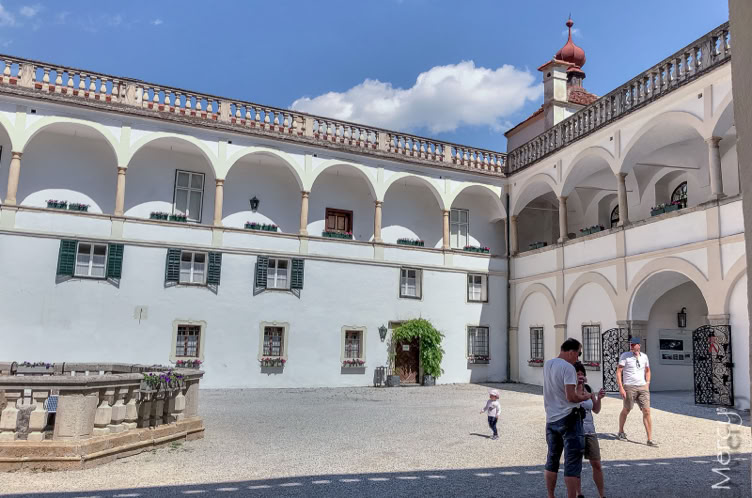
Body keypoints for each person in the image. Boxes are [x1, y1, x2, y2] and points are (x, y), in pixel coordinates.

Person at [544, 338, 594, 498]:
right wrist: (586, 397)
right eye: (579, 353)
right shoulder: (568, 368)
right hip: (569, 418)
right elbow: (571, 397)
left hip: (551, 418)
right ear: (571, 352)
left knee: (552, 460)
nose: (578, 358)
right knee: (572, 462)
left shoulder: (548, 364)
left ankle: (550, 496)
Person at [574, 361, 606, 498]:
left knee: (596, 463)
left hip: (590, 431)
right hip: (575, 431)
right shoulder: (569, 389)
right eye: (578, 374)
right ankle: (579, 493)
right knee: (576, 465)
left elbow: (596, 409)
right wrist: (578, 387)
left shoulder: (588, 388)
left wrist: (599, 398)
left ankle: (602, 495)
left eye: (582, 373)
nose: (580, 376)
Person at [616, 337, 657, 446]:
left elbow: (647, 370)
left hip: (642, 387)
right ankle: (621, 431)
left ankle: (649, 439)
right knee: (627, 409)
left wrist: (647, 383)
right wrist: (621, 387)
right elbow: (619, 371)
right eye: (631, 344)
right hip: (629, 386)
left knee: (647, 411)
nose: (632, 346)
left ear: (639, 345)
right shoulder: (625, 356)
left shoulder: (644, 356)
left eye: (634, 344)